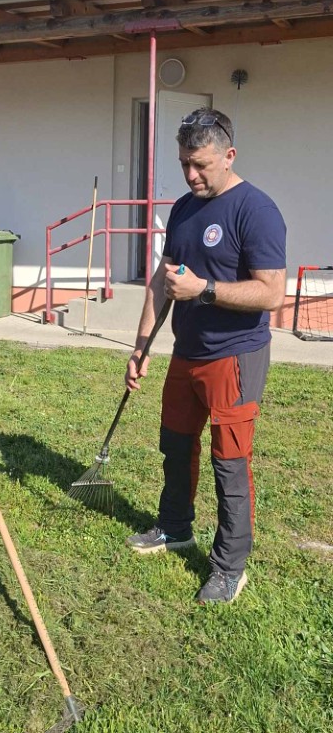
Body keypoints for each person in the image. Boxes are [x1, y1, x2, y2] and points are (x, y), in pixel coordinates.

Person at [124, 107, 286, 604]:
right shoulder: (183, 209)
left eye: (201, 164)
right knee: (175, 445)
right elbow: (163, 280)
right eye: (184, 164)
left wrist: (206, 289)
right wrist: (141, 345)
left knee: (229, 462)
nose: (191, 175)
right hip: (186, 353)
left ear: (228, 155)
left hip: (234, 357)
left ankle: (230, 567)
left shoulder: (256, 210)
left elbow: (272, 293)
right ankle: (175, 527)